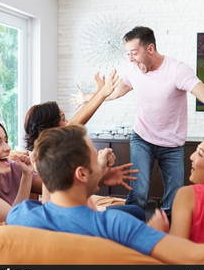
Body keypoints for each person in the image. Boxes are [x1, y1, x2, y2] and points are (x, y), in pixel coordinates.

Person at [6, 125, 204, 264]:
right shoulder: (118, 227)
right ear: (81, 174)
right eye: (96, 157)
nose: (103, 157)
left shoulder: (19, 216)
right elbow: (199, 257)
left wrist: (96, 177)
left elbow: (54, 200)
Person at [92, 26, 204, 214]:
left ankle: (170, 233)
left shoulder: (177, 70)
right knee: (139, 192)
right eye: (128, 54)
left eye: (133, 53)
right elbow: (118, 90)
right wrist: (93, 98)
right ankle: (128, 233)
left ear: (150, 49)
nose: (130, 59)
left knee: (174, 197)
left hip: (172, 144)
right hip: (142, 138)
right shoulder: (133, 69)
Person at [22, 70, 140, 215]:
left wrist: (101, 93)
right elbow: (71, 190)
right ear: (50, 128)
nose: (69, 123)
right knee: (134, 212)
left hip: (76, 209)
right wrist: (101, 169)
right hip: (67, 215)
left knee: (134, 210)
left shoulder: (52, 150)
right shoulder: (39, 161)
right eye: (63, 118)